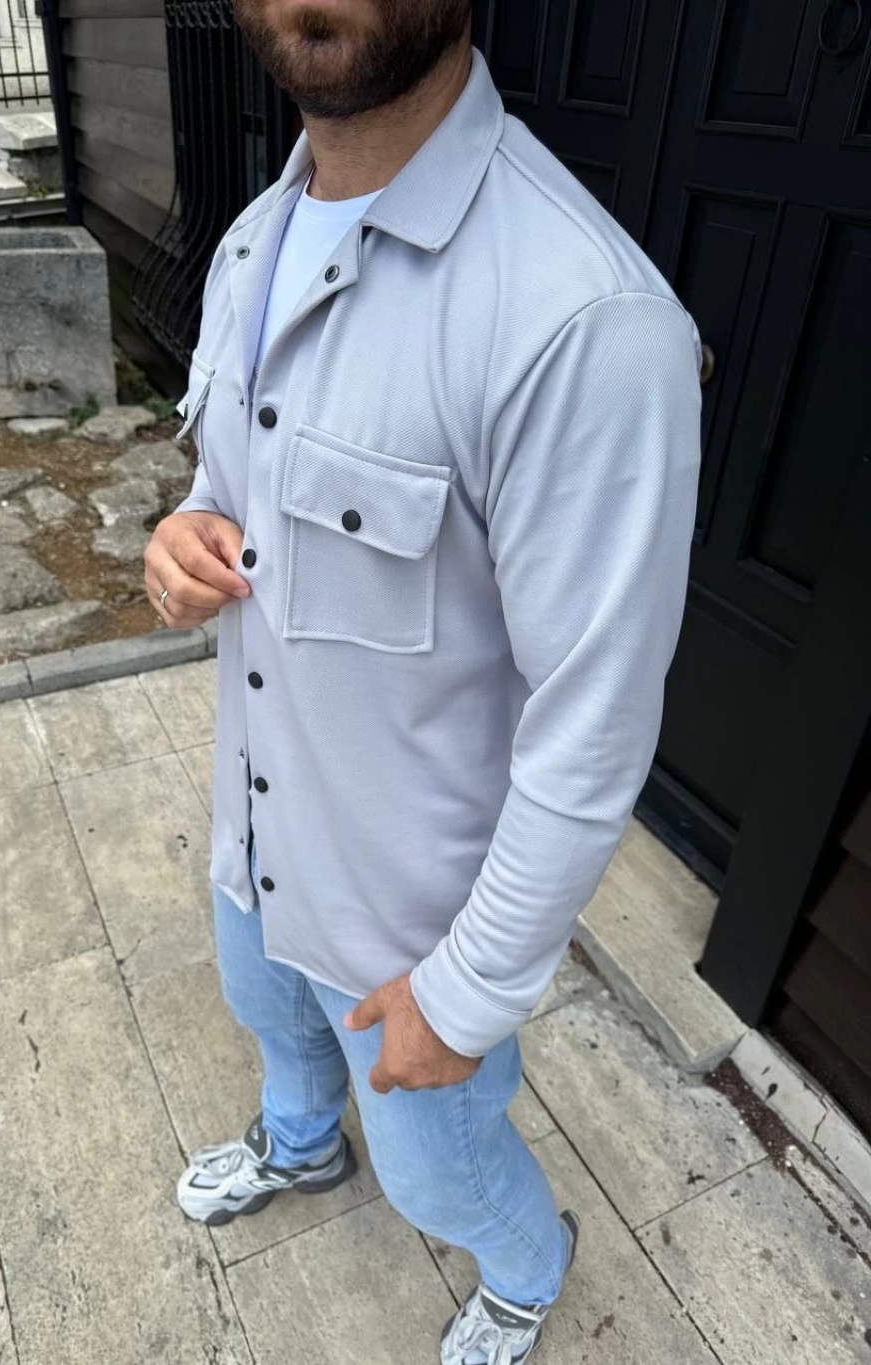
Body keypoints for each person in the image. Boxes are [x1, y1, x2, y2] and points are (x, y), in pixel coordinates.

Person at [144, 2, 701, 1359]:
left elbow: (592, 729)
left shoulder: (584, 322)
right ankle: (299, 1146)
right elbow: (231, 483)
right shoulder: (254, 239)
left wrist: (467, 995)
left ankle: (525, 1269)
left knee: (440, 1173)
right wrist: (187, 533)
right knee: (270, 1026)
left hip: (412, 928)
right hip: (253, 838)